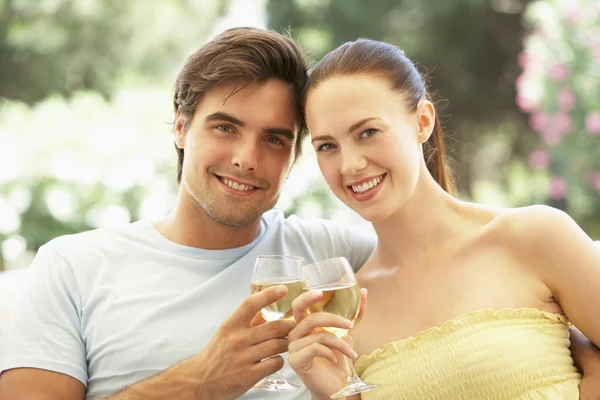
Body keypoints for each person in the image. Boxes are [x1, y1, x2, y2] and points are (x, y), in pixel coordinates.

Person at [0, 27, 377, 400]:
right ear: (181, 126)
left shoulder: (338, 259)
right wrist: (197, 383)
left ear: (294, 157)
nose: (245, 159)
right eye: (226, 127)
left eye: (274, 139)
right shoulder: (72, 267)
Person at [287, 38, 600, 399]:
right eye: (328, 146)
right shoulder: (346, 317)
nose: (350, 165)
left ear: (422, 122)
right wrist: (333, 393)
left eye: (368, 132)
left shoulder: (533, 237)